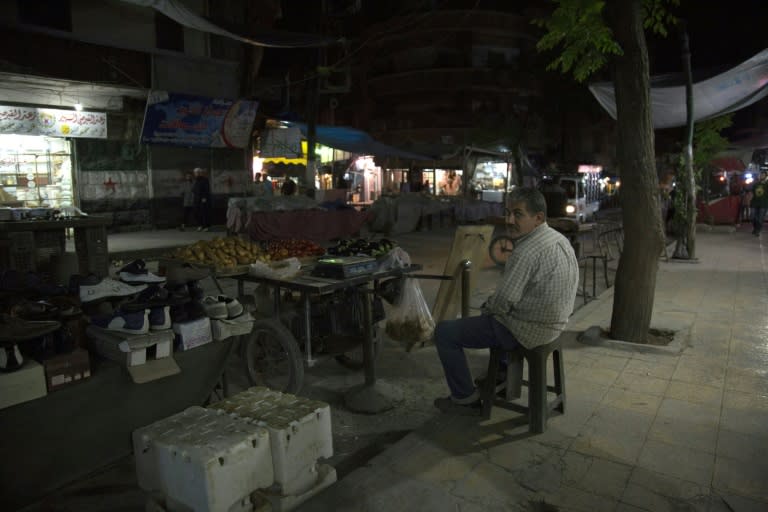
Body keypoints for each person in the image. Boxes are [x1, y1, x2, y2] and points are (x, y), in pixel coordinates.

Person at [433, 187, 580, 415]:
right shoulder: (559, 239)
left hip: (529, 330)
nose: (509, 220)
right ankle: (502, 377)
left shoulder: (526, 251)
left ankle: (464, 399)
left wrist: (488, 308)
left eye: (518, 214)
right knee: (493, 316)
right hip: (556, 325)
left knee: (445, 332)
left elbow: (502, 302)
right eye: (508, 212)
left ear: (538, 217)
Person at [192, 167, 211, 232]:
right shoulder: (195, 180)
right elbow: (194, 189)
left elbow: (207, 190)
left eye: (197, 172)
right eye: (195, 173)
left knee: (204, 213)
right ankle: (200, 225)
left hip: (203, 199)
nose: (195, 174)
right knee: (197, 212)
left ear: (200, 173)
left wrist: (204, 198)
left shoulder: (205, 180)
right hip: (196, 199)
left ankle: (206, 226)